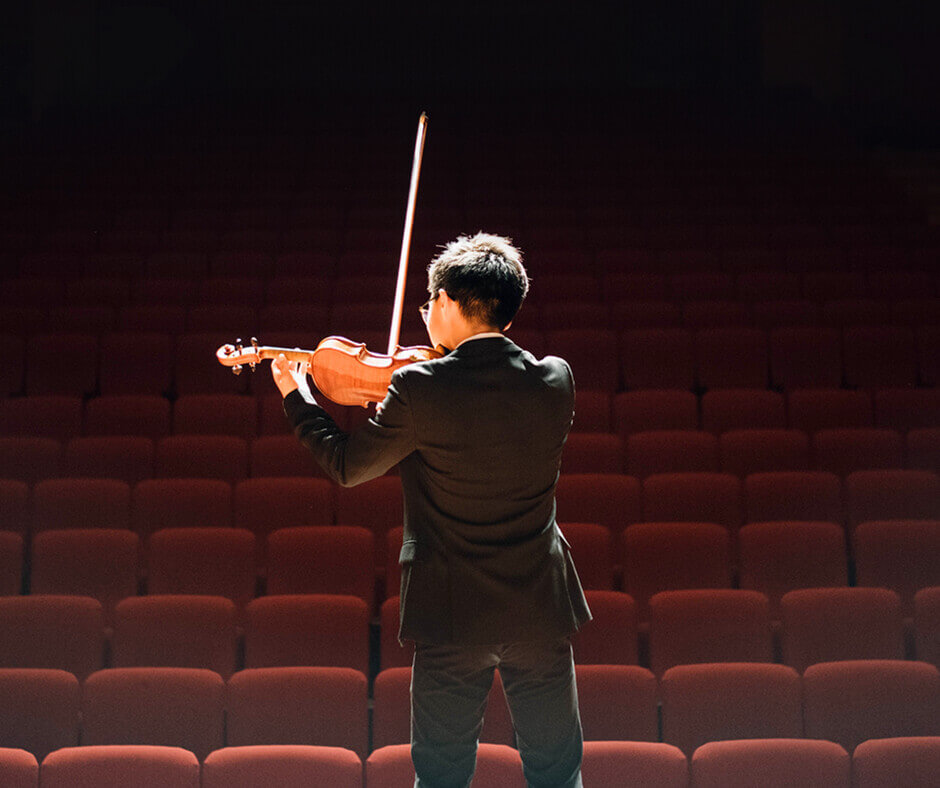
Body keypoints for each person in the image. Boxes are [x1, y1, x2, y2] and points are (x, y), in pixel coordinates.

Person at [271, 232, 591, 788]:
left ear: (445, 302)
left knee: (442, 775)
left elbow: (347, 466)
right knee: (557, 773)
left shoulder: (419, 388)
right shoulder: (555, 379)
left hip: (451, 612)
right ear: (508, 315)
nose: (424, 314)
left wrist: (298, 397)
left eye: (428, 303)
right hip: (539, 606)